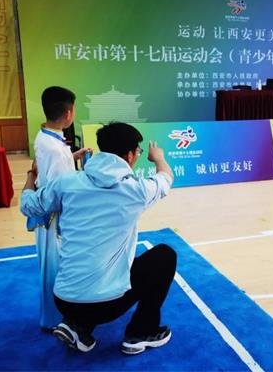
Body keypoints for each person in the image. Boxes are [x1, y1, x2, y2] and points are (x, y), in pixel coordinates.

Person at [21, 122, 176, 355]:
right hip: (106, 306)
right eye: (139, 152)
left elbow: (27, 205)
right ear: (131, 155)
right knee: (164, 256)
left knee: (96, 264)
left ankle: (78, 327)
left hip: (64, 300)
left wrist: (31, 175)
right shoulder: (136, 190)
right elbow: (165, 178)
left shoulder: (67, 183)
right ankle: (141, 332)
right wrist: (159, 158)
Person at [30, 86, 91, 331]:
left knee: (52, 267)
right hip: (53, 219)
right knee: (55, 269)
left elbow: (53, 168)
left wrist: (73, 156)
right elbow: (58, 191)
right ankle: (55, 320)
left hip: (49, 215)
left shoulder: (47, 137)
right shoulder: (54, 148)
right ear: (68, 113)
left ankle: (55, 317)